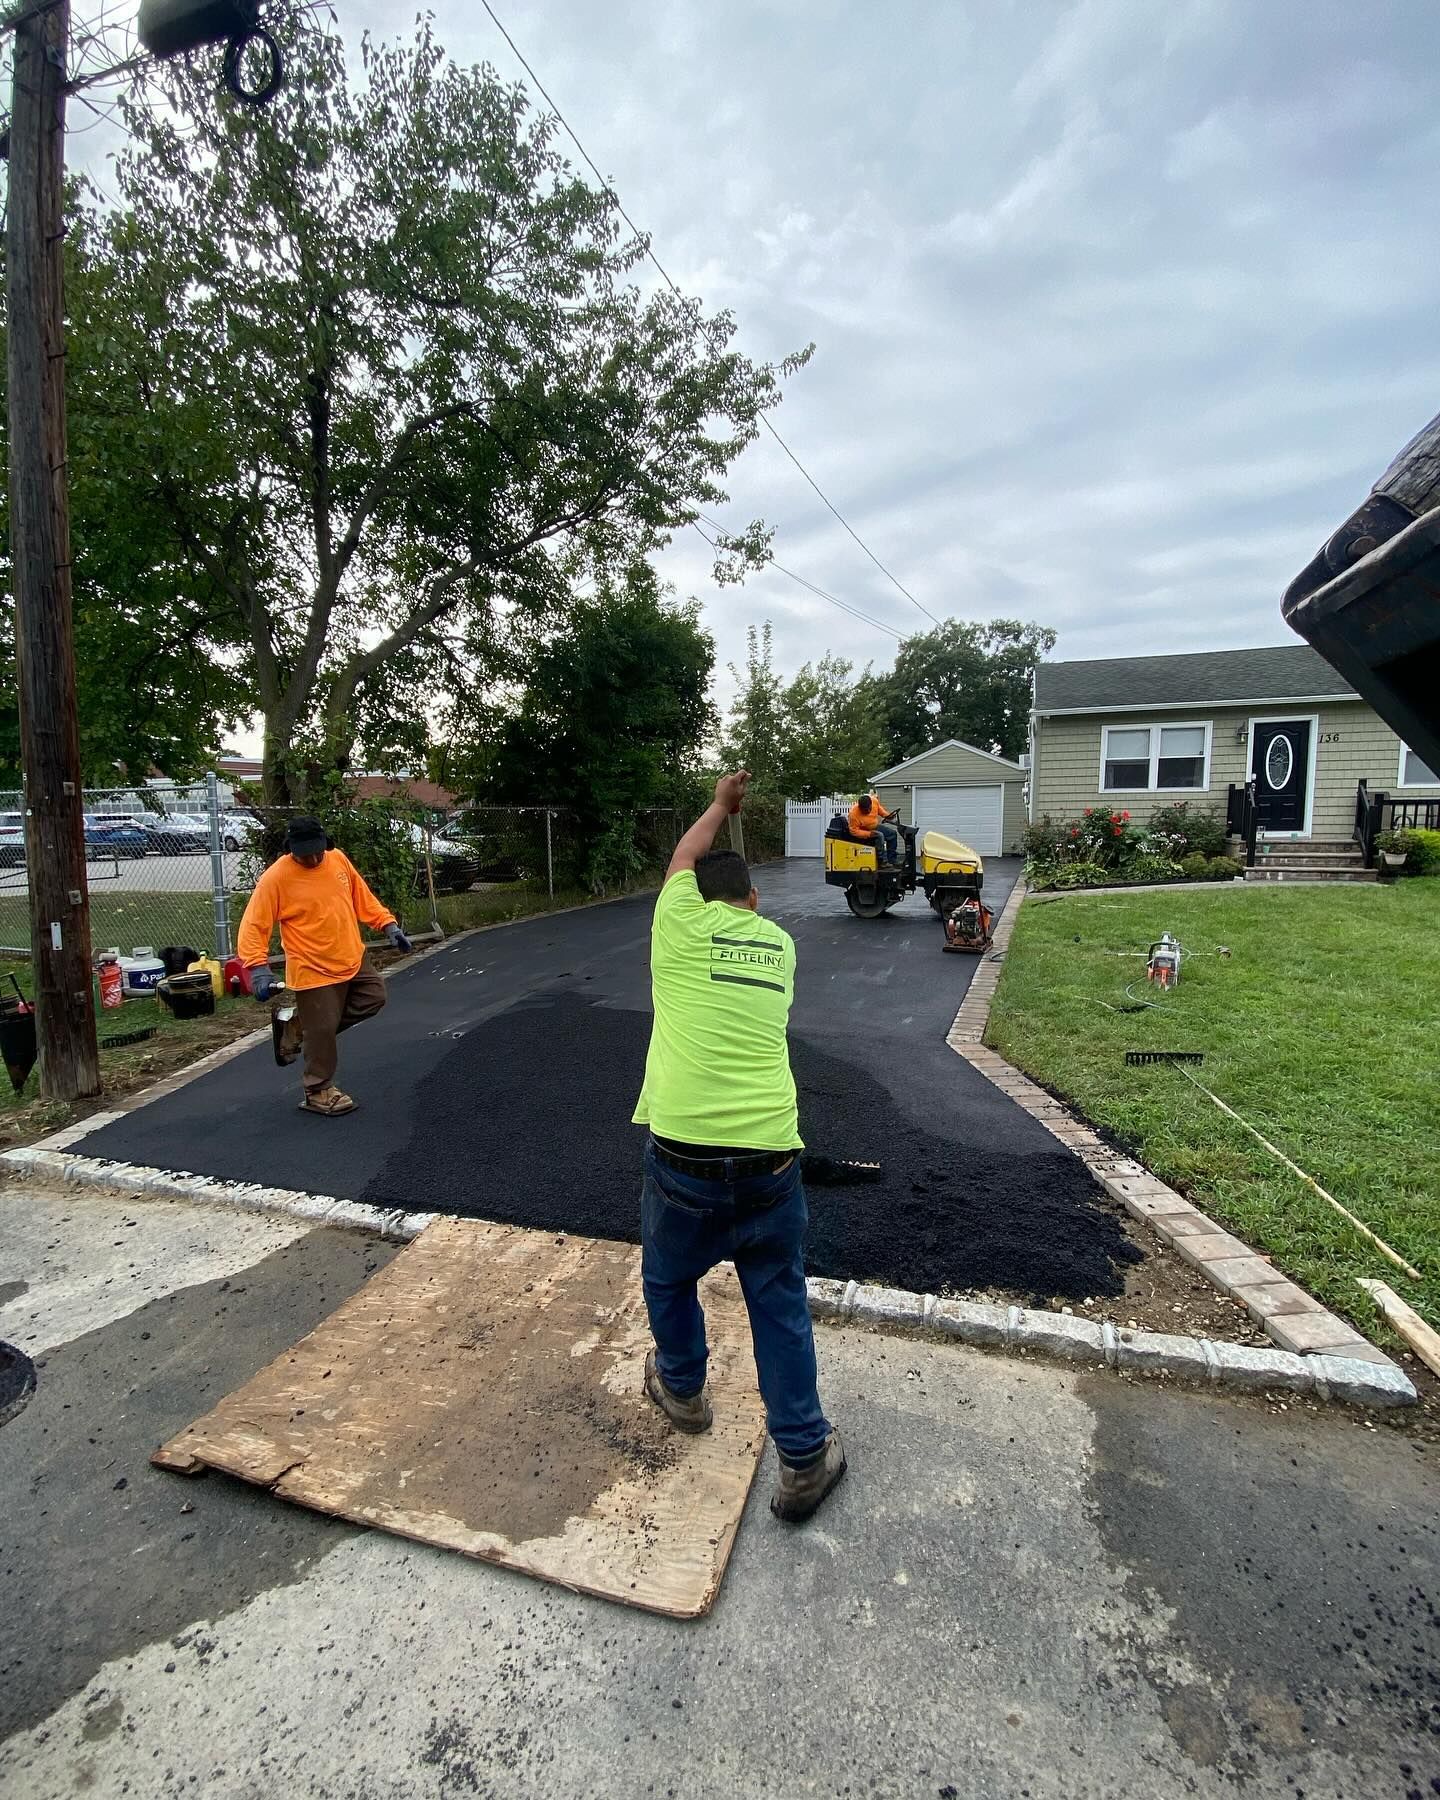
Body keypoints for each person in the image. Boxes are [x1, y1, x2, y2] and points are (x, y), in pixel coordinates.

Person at [633, 770, 845, 1524]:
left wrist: (719, 808)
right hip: (770, 1160)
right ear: (754, 899)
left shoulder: (677, 922)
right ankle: (801, 1458)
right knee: (778, 1303)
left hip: (684, 1157)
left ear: (695, 894)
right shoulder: (780, 946)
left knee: (667, 1277)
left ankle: (684, 1392)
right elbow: (702, 878)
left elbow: (683, 861)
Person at [236, 815, 412, 1117]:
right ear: (291, 848)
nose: (314, 857)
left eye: (318, 850)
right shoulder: (276, 878)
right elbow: (255, 924)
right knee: (324, 1030)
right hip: (312, 966)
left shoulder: (338, 860)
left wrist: (387, 924)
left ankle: (301, 1029)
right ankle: (317, 1089)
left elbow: (362, 897)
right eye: (305, 853)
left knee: (374, 998)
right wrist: (257, 967)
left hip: (351, 956)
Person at [847, 792, 901, 867]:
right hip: (864, 831)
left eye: (869, 808)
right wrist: (869, 834)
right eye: (865, 810)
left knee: (892, 834)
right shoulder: (853, 814)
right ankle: (882, 861)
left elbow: (880, 810)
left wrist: (888, 816)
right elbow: (853, 831)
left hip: (874, 827)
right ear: (860, 807)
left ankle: (892, 859)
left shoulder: (874, 801)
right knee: (880, 836)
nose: (868, 811)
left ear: (871, 804)